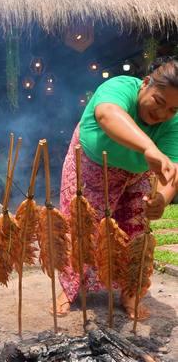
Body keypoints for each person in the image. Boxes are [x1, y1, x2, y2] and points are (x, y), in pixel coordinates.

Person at [56, 57, 178, 320]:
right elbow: (107, 114)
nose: (162, 114)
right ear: (145, 84)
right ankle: (69, 289)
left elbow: (172, 172)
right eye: (159, 102)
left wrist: (162, 199)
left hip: (135, 174)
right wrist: (148, 147)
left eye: (172, 110)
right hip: (91, 164)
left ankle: (130, 291)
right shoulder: (121, 86)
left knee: (135, 230)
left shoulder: (173, 123)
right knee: (80, 227)